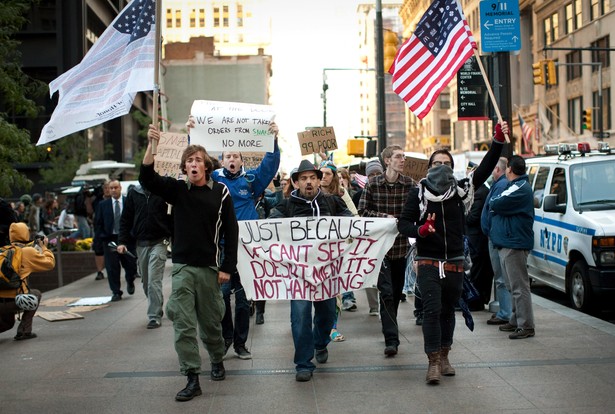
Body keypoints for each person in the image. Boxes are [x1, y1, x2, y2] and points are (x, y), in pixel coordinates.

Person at [397, 121, 507, 385]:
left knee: (448, 311)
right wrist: (421, 230)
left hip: (455, 262)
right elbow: (403, 224)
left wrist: (498, 142)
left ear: (452, 167)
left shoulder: (462, 191)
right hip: (427, 262)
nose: (441, 167)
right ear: (429, 167)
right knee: (432, 310)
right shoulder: (418, 193)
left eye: (446, 163)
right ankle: (433, 362)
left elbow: (486, 167)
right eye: (436, 163)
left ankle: (445, 355)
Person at [141, 125, 238, 401]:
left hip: (209, 269)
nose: (193, 164)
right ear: (184, 167)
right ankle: (192, 377)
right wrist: (152, 145)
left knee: (210, 322)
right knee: (183, 323)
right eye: (189, 161)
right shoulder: (177, 190)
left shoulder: (221, 192)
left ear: (206, 166)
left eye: (197, 160)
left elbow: (231, 232)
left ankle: (217, 358)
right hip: (183, 268)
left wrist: (226, 267)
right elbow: (147, 178)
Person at [187, 115, 280, 360]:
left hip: (247, 247)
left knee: (242, 299)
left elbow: (270, 166)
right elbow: (194, 165)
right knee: (221, 298)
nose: (232, 159)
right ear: (221, 160)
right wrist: (192, 135)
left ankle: (240, 343)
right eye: (228, 155)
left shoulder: (250, 181)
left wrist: (273, 139)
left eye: (236, 156)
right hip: (221, 247)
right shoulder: (214, 179)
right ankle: (226, 337)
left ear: (241, 160)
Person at [269, 159, 351, 382]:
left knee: (327, 315)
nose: (308, 182)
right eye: (303, 178)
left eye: (312, 178)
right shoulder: (285, 206)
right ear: (296, 182)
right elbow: (269, 227)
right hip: (298, 275)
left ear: (318, 180)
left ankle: (320, 342)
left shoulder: (332, 202)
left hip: (326, 273)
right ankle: (303, 363)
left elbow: (350, 222)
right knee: (301, 316)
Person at [358, 146, 416, 357]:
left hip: (401, 249)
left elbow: (419, 210)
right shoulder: (372, 184)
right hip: (380, 250)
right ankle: (391, 339)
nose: (403, 160)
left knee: (396, 291)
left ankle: (390, 324)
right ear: (387, 160)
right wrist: (384, 218)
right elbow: (362, 213)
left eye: (404, 156)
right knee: (387, 293)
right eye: (399, 156)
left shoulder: (410, 184)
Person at [488, 155, 536, 340]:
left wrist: (495, 204)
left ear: (509, 169)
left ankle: (526, 325)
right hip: (508, 241)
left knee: (519, 286)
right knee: (511, 285)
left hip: (514, 243)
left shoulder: (520, 187)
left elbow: (495, 202)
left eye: (507, 167)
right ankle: (515, 320)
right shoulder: (514, 185)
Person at [117, 184, 172, 329]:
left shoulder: (163, 191)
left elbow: (172, 216)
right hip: (141, 243)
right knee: (146, 281)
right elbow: (126, 219)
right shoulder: (134, 193)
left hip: (160, 242)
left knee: (154, 280)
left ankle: (153, 316)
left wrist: (171, 236)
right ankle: (157, 305)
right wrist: (122, 241)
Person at [0, 223, 55, 340]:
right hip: (15, 301)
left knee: (8, 324)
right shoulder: (27, 252)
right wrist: (44, 247)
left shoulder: (3, 250)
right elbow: (50, 263)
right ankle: (25, 331)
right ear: (26, 233)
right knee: (35, 294)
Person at [94, 180, 137, 302]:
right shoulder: (103, 205)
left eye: (115, 187)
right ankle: (116, 292)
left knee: (130, 264)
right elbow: (98, 223)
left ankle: (130, 280)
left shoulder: (128, 202)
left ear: (120, 188)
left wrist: (133, 234)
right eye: (110, 188)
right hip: (110, 239)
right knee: (112, 267)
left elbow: (134, 219)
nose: (113, 190)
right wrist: (102, 238)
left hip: (127, 239)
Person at [481, 157, 512, 325]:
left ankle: (505, 312)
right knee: (500, 278)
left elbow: (494, 211)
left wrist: (491, 231)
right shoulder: (498, 184)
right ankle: (504, 311)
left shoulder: (500, 185)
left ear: (498, 170)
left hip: (495, 237)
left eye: (493, 169)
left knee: (501, 278)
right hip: (494, 236)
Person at [465, 170, 493, 311]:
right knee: (478, 271)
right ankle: (477, 300)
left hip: (477, 240)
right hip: (477, 239)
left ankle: (476, 302)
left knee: (478, 272)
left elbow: (472, 218)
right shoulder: (479, 191)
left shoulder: (480, 193)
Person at [92, 182, 110, 280]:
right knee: (98, 250)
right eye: (106, 188)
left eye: (109, 188)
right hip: (100, 229)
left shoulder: (116, 200)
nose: (108, 190)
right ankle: (100, 271)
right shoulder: (98, 201)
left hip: (113, 229)